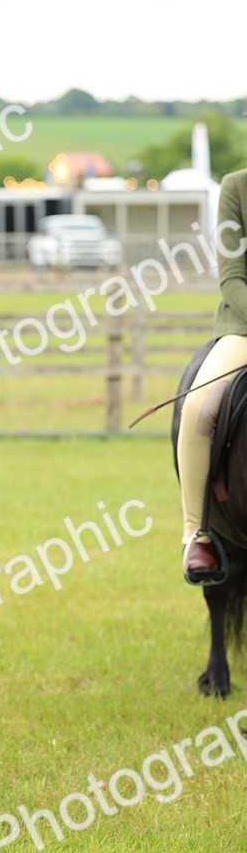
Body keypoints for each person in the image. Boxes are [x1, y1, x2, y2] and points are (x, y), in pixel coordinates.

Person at [178, 167, 247, 580]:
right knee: (199, 408)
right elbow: (232, 277)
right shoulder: (235, 188)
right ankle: (197, 534)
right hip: (243, 326)